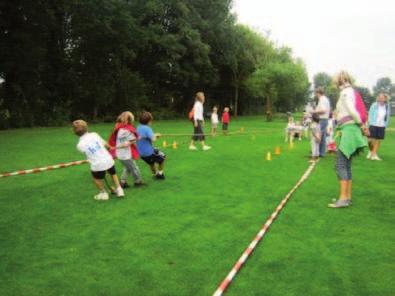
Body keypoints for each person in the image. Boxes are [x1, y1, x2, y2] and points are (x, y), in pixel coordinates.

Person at [328, 71, 368, 208]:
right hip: (348, 129)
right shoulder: (350, 91)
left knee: (340, 165)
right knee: (346, 165)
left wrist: (361, 124)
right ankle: (347, 197)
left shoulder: (345, 92)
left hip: (348, 130)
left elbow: (352, 110)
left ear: (340, 80)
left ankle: (343, 199)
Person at [72, 120, 125, 200]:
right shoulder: (94, 134)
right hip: (108, 159)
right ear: (86, 127)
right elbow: (105, 144)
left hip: (97, 164)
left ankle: (103, 193)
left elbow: (87, 152)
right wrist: (110, 147)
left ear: (75, 132)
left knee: (96, 178)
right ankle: (119, 190)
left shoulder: (79, 145)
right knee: (113, 173)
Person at [109, 111, 144, 188]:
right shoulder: (126, 130)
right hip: (125, 154)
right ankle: (138, 181)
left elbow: (128, 141)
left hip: (122, 153)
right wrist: (139, 138)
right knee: (134, 167)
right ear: (129, 120)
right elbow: (132, 140)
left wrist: (137, 138)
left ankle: (122, 182)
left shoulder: (120, 128)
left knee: (128, 167)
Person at [136, 111, 166, 180]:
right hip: (149, 152)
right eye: (151, 121)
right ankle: (160, 174)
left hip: (141, 154)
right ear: (148, 121)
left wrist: (154, 135)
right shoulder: (147, 129)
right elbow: (153, 139)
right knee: (163, 157)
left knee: (151, 163)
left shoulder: (138, 127)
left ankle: (155, 174)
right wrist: (157, 136)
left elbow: (146, 136)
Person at [367, 93, 391, 160]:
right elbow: (370, 114)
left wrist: (386, 124)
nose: (381, 99)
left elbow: (388, 116)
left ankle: (374, 154)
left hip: (382, 125)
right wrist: (369, 123)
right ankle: (371, 151)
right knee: (370, 140)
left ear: (385, 99)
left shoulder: (387, 106)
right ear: (378, 98)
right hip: (373, 124)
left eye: (382, 98)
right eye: (379, 97)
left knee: (378, 140)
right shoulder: (374, 105)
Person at [311, 87, 331, 157]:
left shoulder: (322, 99)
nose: (315, 95)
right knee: (322, 136)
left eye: (316, 93)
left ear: (318, 93)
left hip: (322, 119)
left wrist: (314, 111)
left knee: (319, 136)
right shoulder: (325, 99)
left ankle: (319, 152)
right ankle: (320, 152)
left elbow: (323, 110)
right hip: (324, 119)